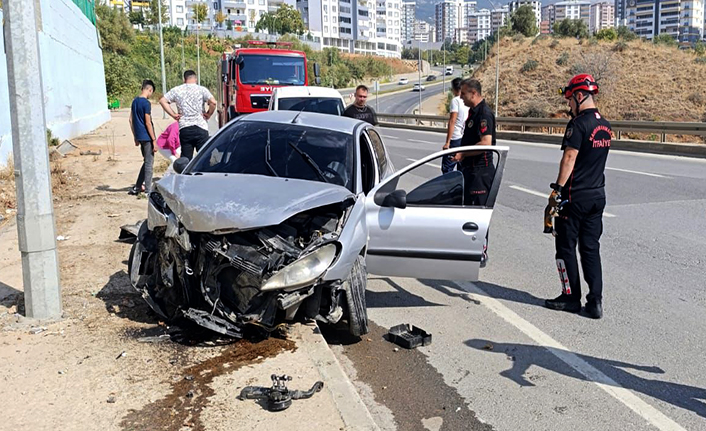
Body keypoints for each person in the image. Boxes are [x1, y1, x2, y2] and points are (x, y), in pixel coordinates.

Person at [545, 74, 611, 319]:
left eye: (570, 100)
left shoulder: (578, 125)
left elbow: (569, 158)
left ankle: (570, 297)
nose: (569, 105)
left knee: (564, 247)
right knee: (591, 248)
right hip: (597, 196)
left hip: (574, 197)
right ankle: (595, 302)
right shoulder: (605, 125)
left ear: (580, 95)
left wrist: (557, 191)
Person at [452, 79, 496, 267]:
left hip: (481, 173)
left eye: (463, 94)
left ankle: (481, 252)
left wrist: (462, 153)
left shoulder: (484, 114)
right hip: (470, 171)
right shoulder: (473, 112)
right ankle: (469, 250)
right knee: (468, 212)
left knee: (479, 214)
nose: (460, 97)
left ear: (473, 93)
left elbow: (486, 143)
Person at [159, 70, 217, 160]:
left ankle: (186, 173)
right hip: (201, 127)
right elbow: (213, 102)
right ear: (196, 79)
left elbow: (163, 101)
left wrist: (173, 114)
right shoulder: (202, 90)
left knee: (186, 158)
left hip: (185, 128)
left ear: (184, 79)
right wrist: (209, 114)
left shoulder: (177, 90)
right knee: (204, 157)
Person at [128, 79, 157, 196]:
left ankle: (138, 186)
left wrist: (135, 136)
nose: (151, 95)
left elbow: (130, 120)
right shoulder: (146, 103)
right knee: (149, 164)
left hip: (140, 136)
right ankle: (148, 191)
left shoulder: (134, 101)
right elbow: (148, 122)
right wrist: (154, 140)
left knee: (146, 162)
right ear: (149, 90)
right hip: (147, 137)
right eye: (151, 92)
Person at [441, 77, 470, 173]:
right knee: (461, 168)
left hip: (456, 138)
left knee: (447, 168)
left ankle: (448, 187)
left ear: (454, 89)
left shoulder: (455, 101)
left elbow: (452, 121)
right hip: (465, 137)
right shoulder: (467, 100)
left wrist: (448, 142)